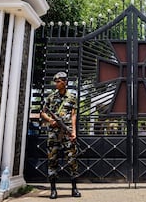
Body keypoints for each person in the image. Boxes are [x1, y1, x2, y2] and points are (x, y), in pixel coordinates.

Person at [41, 71, 81, 199]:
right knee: (52, 161)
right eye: (55, 81)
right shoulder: (51, 97)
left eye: (58, 81)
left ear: (65, 82)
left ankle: (74, 189)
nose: (56, 84)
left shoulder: (72, 97)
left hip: (67, 133)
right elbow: (42, 113)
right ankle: (53, 190)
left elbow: (74, 115)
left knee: (72, 161)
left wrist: (73, 131)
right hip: (53, 134)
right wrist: (50, 120)